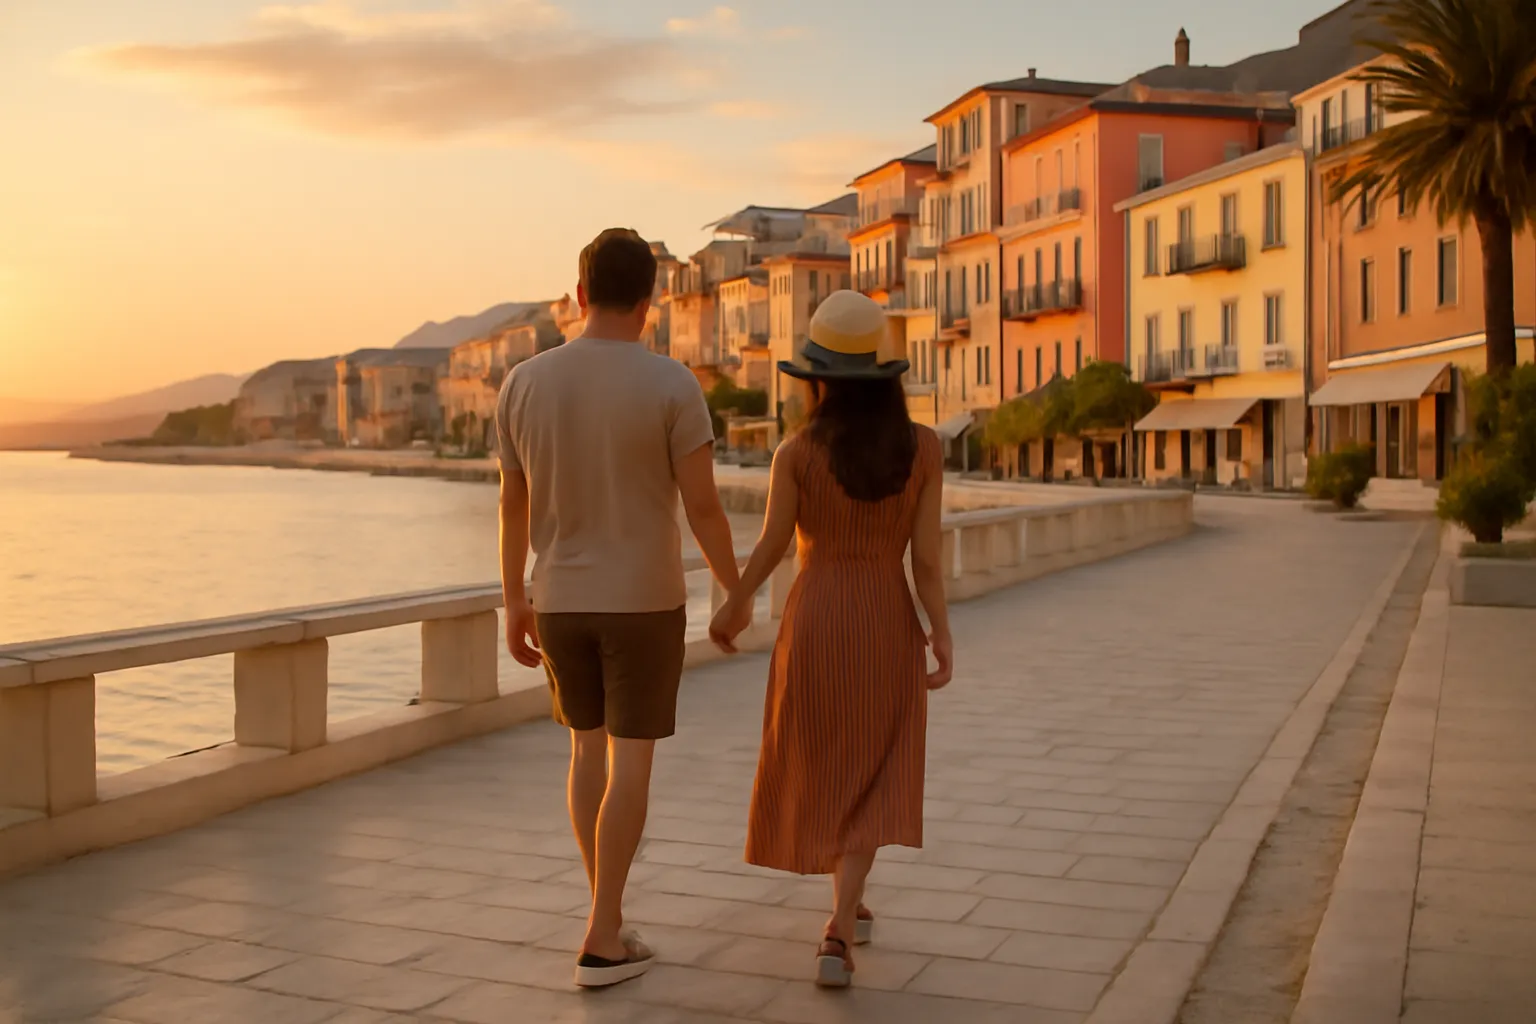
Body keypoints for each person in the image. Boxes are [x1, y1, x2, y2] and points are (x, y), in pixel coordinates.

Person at [496, 228, 740, 989]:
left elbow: (511, 506)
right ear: (649, 300)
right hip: (643, 601)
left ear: (578, 294)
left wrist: (513, 601)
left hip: (558, 600)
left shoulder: (523, 383)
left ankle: (607, 914)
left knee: (585, 753)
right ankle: (603, 933)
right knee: (631, 761)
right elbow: (703, 508)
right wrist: (735, 589)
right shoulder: (672, 384)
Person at [709, 290, 952, 989]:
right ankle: (840, 927)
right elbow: (927, 562)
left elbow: (773, 544)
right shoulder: (923, 450)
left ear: (819, 379)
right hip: (883, 614)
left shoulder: (797, 452)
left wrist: (735, 604)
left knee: (828, 759)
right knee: (876, 766)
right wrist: (941, 633)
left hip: (815, 617)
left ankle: (845, 911)